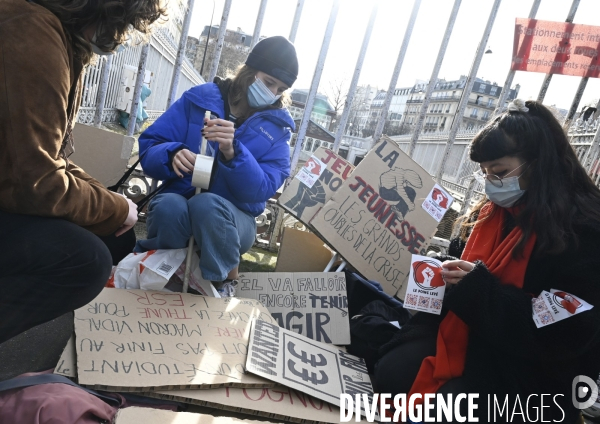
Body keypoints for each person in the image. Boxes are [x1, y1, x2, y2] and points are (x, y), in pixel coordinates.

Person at [374, 100, 600, 423]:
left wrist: (478, 290)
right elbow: (461, 262)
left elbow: (566, 333)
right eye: (485, 173)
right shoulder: (490, 212)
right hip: (470, 339)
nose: (491, 183)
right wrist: (440, 275)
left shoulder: (583, 232)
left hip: (530, 378)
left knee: (431, 414)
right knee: (390, 372)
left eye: (500, 172)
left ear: (538, 164)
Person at [0, 0, 164, 344]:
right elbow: (37, 182)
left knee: (115, 235)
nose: (119, 38)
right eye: (123, 24)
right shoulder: (32, 32)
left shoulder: (51, 32)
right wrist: (115, 206)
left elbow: (50, 154)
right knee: (86, 261)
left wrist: (110, 201)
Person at [136, 36, 298, 295]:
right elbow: (150, 144)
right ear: (249, 71)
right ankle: (161, 275)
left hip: (235, 218)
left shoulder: (278, 130)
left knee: (206, 204)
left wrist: (233, 152)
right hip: (180, 197)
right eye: (269, 82)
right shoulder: (200, 99)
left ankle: (218, 285)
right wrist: (171, 154)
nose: (273, 93)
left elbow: (263, 188)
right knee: (168, 206)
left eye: (280, 89)